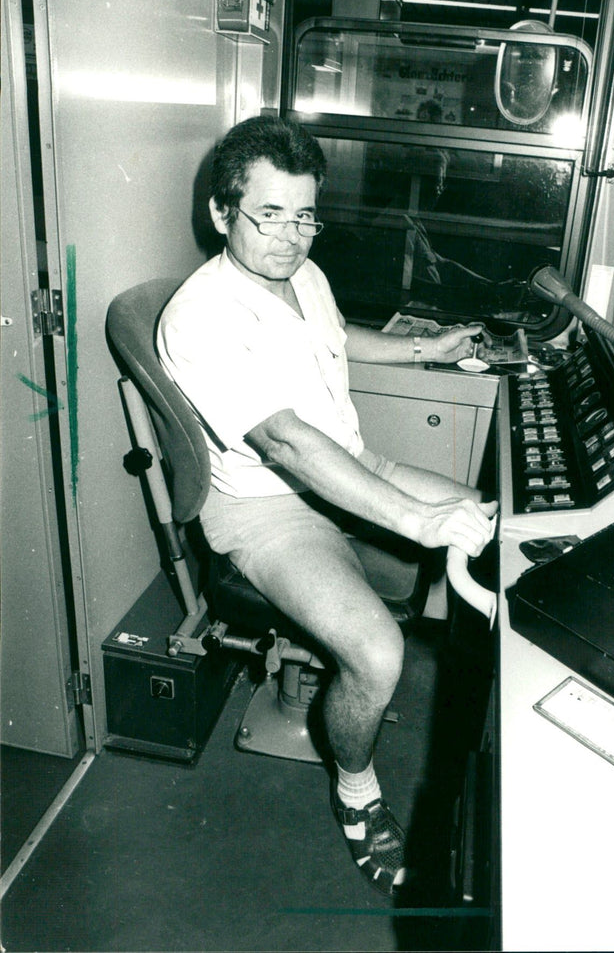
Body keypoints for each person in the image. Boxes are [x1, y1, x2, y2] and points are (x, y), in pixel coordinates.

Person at [157, 115, 496, 897]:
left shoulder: (303, 273)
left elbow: (338, 336)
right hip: (267, 509)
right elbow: (284, 442)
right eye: (269, 214)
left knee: (486, 517)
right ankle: (356, 792)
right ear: (221, 212)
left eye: (305, 215)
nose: (291, 236)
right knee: (378, 652)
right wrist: (412, 518)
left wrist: (428, 348)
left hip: (345, 462)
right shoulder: (202, 316)